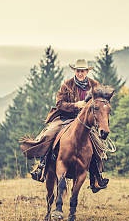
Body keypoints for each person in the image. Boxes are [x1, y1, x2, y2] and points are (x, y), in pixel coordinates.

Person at [24, 59, 109, 193]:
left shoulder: (95, 86)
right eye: (78, 71)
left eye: (83, 71)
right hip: (65, 118)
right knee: (48, 135)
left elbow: (100, 103)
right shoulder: (66, 85)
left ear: (87, 71)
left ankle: (97, 177)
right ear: (75, 71)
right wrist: (75, 105)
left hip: (85, 123)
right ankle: (41, 166)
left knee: (98, 146)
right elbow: (59, 103)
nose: (80, 73)